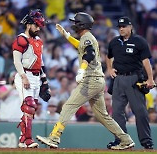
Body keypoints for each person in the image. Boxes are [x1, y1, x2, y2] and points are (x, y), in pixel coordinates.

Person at [36, 12, 135, 150]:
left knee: (68, 106)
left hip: (91, 80)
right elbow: (81, 46)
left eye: (75, 23)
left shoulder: (87, 37)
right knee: (102, 116)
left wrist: (82, 70)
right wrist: (67, 36)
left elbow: (90, 53)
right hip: (98, 81)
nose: (73, 25)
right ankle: (126, 139)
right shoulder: (86, 37)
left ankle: (54, 137)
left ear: (81, 24)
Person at [106, 16, 155, 149]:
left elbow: (146, 62)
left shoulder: (139, 41)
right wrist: (109, 68)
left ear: (130, 27)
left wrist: (150, 79)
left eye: (124, 26)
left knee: (140, 111)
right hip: (118, 79)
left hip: (134, 78)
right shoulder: (114, 42)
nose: (121, 29)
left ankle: (146, 141)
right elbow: (108, 56)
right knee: (116, 112)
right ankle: (122, 140)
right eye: (120, 27)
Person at [12, 9, 51, 148]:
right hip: (25, 75)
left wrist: (45, 81)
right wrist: (23, 77)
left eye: (39, 25)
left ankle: (22, 139)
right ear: (29, 24)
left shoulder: (39, 41)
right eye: (36, 25)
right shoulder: (21, 39)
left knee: (31, 110)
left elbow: (40, 62)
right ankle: (28, 140)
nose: (38, 28)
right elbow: (16, 61)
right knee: (28, 106)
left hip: (36, 77)